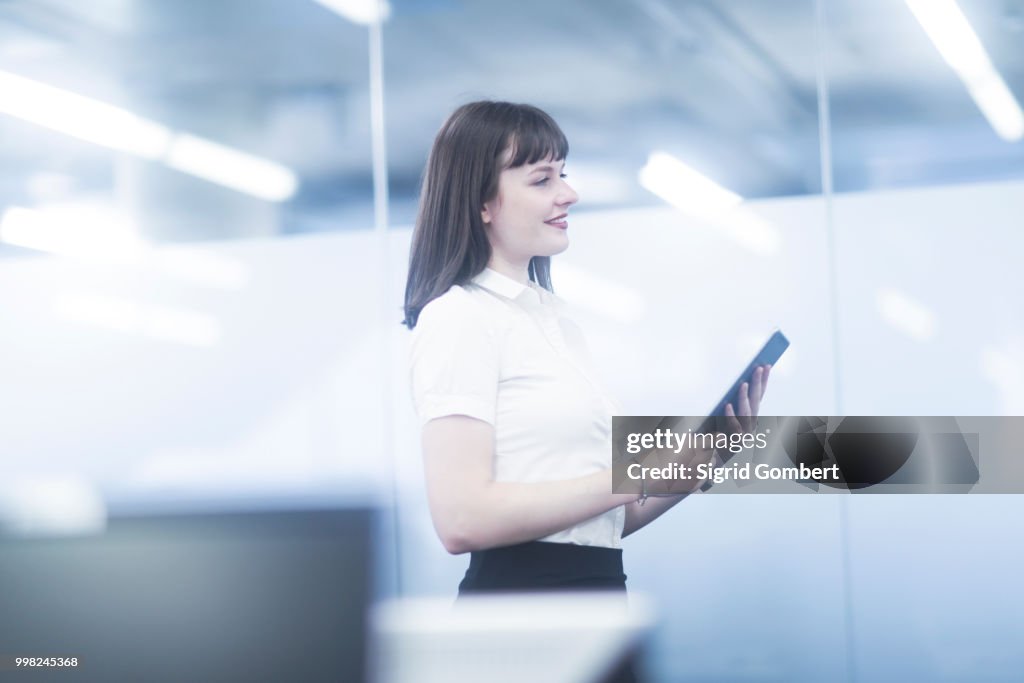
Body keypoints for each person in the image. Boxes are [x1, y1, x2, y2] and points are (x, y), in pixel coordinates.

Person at [404, 100, 770, 597]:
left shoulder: (553, 322)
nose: (569, 194)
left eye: (563, 175)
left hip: (596, 591)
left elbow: (608, 521)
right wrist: (636, 474)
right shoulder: (459, 317)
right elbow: (461, 520)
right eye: (542, 180)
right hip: (522, 606)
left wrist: (703, 462)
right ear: (482, 204)